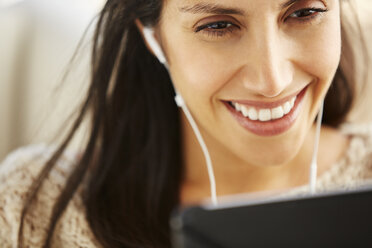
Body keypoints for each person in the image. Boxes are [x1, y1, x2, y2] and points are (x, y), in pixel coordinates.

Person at [0, 0, 371, 247]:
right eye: (219, 25)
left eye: (304, 13)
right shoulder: (29, 211)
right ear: (153, 37)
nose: (272, 80)